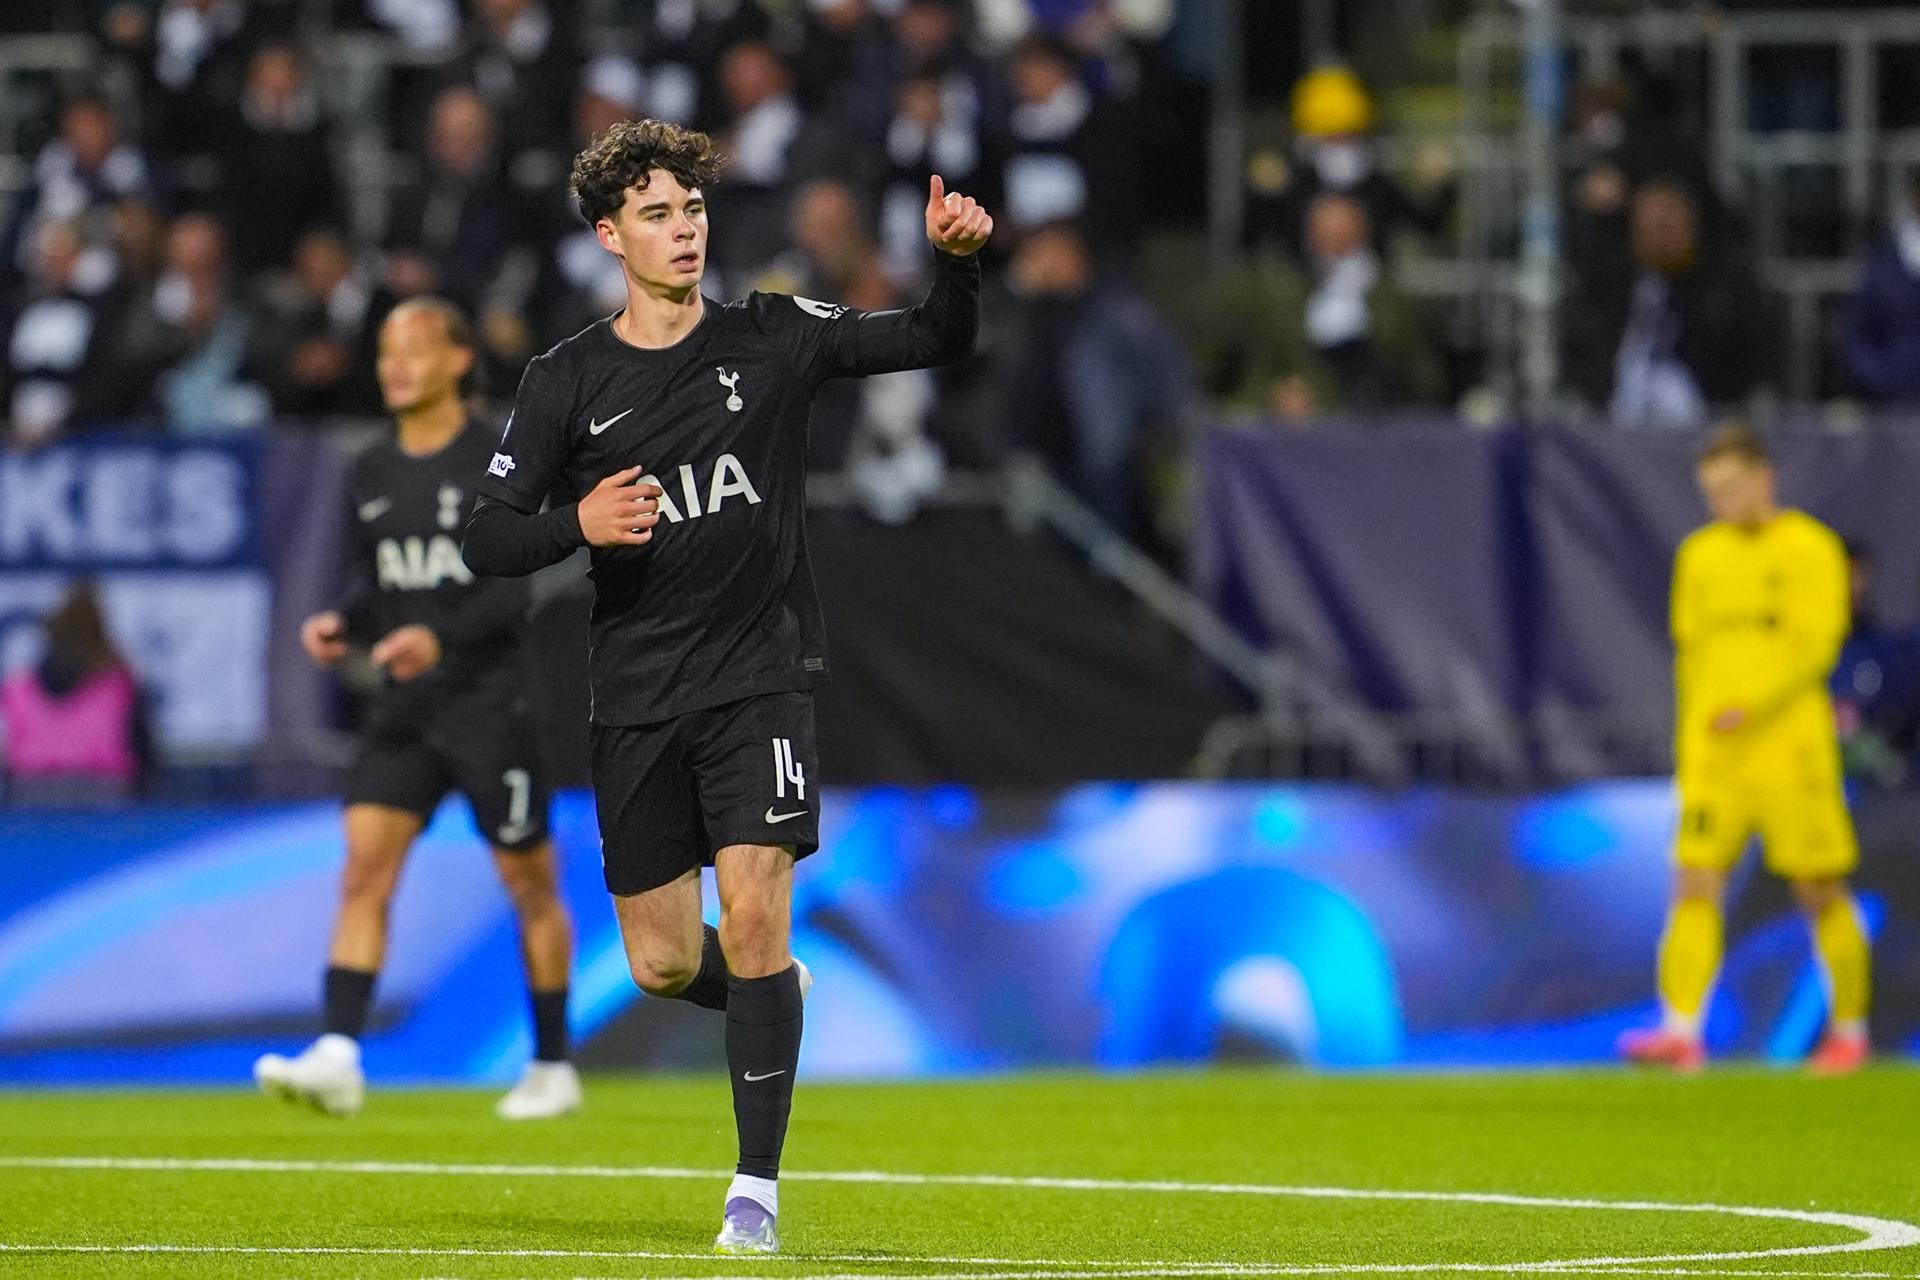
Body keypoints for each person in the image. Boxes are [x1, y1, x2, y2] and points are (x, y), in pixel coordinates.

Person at [461, 119, 989, 1253]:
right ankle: (773, 992)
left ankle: (754, 1190)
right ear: (611, 235)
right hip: (636, 690)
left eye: (692, 208)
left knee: (753, 903)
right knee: (658, 960)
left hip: (761, 677)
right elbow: (485, 537)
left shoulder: (775, 334)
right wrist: (578, 522)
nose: (683, 228)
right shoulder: (568, 379)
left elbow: (936, 338)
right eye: (656, 212)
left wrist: (956, 260)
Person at [253, 297, 579, 1121]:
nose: (394, 365)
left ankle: (551, 1063)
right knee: (363, 871)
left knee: (528, 884)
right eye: (386, 351)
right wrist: (347, 623)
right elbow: (382, 581)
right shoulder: (369, 469)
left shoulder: (496, 459)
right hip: (405, 709)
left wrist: (438, 642)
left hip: (488, 703)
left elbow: (519, 584)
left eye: (415, 348)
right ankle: (338, 1052)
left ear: (461, 359)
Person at [1620, 424, 1870, 1076]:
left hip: (1791, 750)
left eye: (1731, 487)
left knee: (1820, 888)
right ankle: (1679, 1031)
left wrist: (1752, 705)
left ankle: (1849, 1030)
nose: (1722, 502)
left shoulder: (1811, 548)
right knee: (1693, 881)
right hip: (1718, 759)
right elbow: (1692, 657)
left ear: (1765, 478)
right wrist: (1693, 744)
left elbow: (1818, 647)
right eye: (1711, 492)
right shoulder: (1700, 556)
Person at [0, 582, 147, 806]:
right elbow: (144, 756)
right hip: (104, 803)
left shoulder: (17, 689)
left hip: (31, 800)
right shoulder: (118, 686)